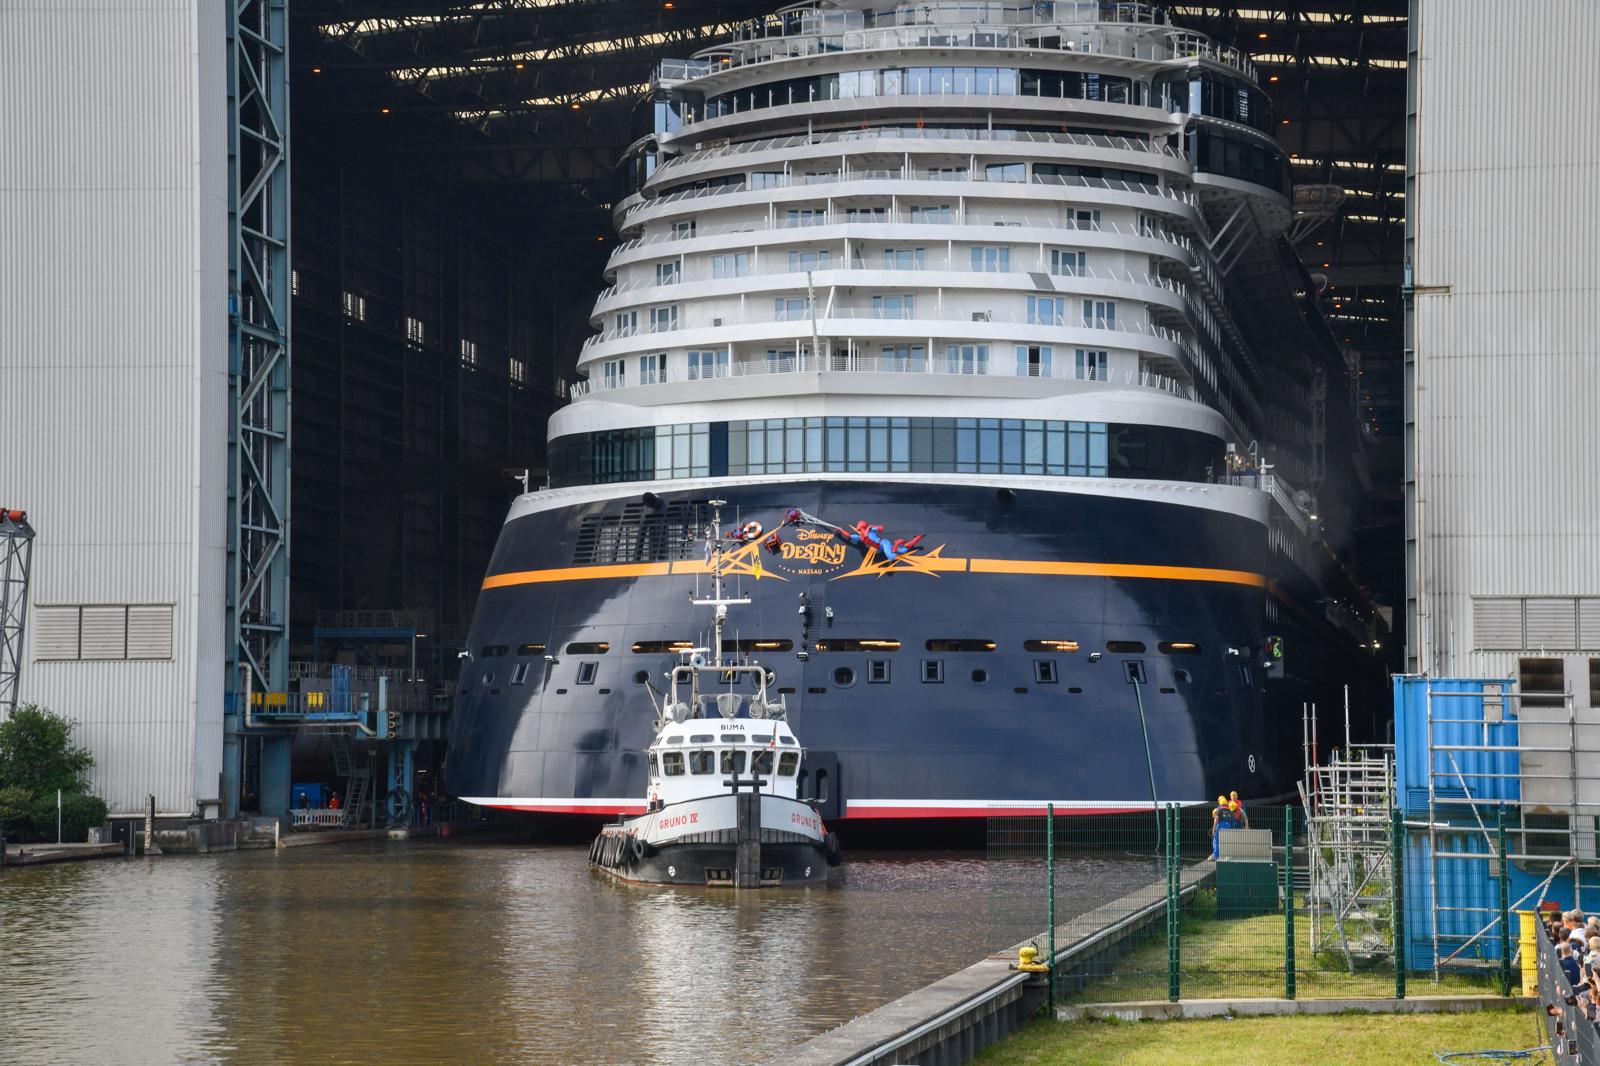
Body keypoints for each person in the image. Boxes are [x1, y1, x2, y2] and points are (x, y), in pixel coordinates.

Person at [1211, 795, 1230, 859]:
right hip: (1228, 826)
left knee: (1216, 841)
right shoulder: (1229, 810)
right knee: (1226, 841)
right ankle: (1226, 856)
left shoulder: (1219, 810)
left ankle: (1216, 856)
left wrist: (1213, 829)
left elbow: (1216, 819)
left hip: (1220, 825)